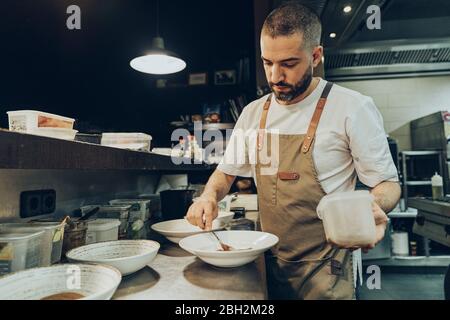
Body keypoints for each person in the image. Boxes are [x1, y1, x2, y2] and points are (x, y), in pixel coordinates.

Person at [186, 2, 400, 300]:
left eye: (288, 64)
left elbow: (388, 185)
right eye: (267, 63)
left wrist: (372, 206)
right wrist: (208, 196)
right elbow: (225, 173)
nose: (274, 76)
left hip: (326, 270)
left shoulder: (352, 107)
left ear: (315, 56)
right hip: (265, 261)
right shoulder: (252, 113)